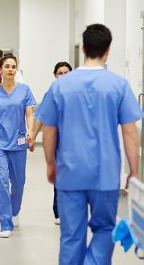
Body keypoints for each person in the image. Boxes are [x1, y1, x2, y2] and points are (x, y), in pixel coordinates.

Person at [35, 24, 143, 264]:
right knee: (104, 229)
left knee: (71, 235)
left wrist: (51, 163)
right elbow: (130, 133)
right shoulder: (118, 85)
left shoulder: (60, 86)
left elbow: (49, 130)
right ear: (108, 51)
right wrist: (133, 171)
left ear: (83, 48)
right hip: (105, 174)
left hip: (70, 172)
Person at [0, 53, 36, 238]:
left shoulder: (24, 90)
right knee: (2, 182)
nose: (10, 70)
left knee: (19, 182)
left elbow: (29, 114)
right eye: (7, 66)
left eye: (13, 67)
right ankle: (5, 223)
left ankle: (14, 212)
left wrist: (31, 131)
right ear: (1, 69)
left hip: (19, 141)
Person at [30, 61, 72, 225]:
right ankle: (59, 212)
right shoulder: (52, 93)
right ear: (55, 75)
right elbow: (40, 115)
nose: (63, 76)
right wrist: (32, 136)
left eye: (66, 72)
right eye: (60, 73)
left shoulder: (78, 92)